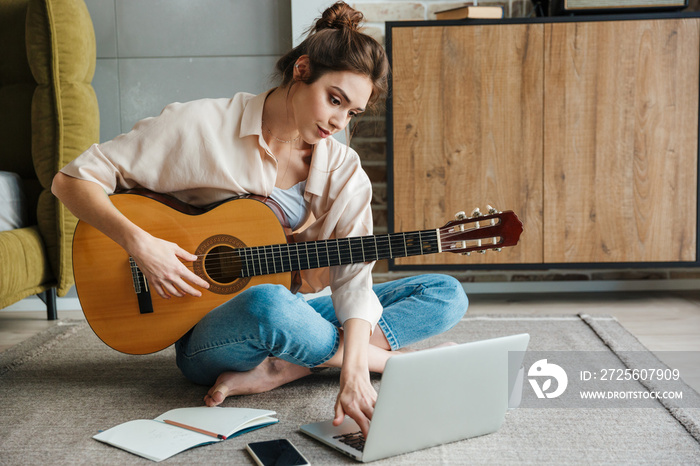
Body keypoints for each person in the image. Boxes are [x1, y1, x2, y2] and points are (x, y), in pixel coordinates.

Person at [52, 2, 468, 437]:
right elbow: (70, 182)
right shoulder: (200, 126)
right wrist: (141, 244)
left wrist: (348, 369)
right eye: (334, 100)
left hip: (298, 311)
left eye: (352, 113)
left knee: (444, 293)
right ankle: (373, 360)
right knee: (269, 303)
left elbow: (353, 279)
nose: (338, 122)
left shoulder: (343, 169)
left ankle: (285, 368)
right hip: (211, 331)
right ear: (302, 69)